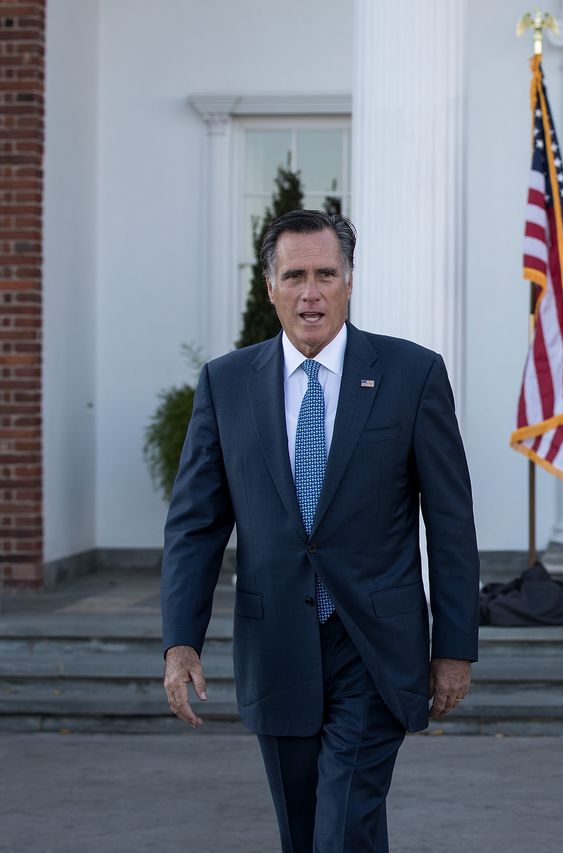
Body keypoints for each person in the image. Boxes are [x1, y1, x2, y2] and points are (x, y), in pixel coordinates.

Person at [161, 210, 480, 852]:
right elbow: (195, 524)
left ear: (350, 281)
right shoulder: (226, 384)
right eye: (296, 276)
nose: (312, 293)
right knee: (303, 829)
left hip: (374, 642)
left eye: (326, 274)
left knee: (344, 825)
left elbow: (450, 521)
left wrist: (454, 647)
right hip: (275, 641)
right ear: (270, 287)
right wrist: (181, 642)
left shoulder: (411, 374)